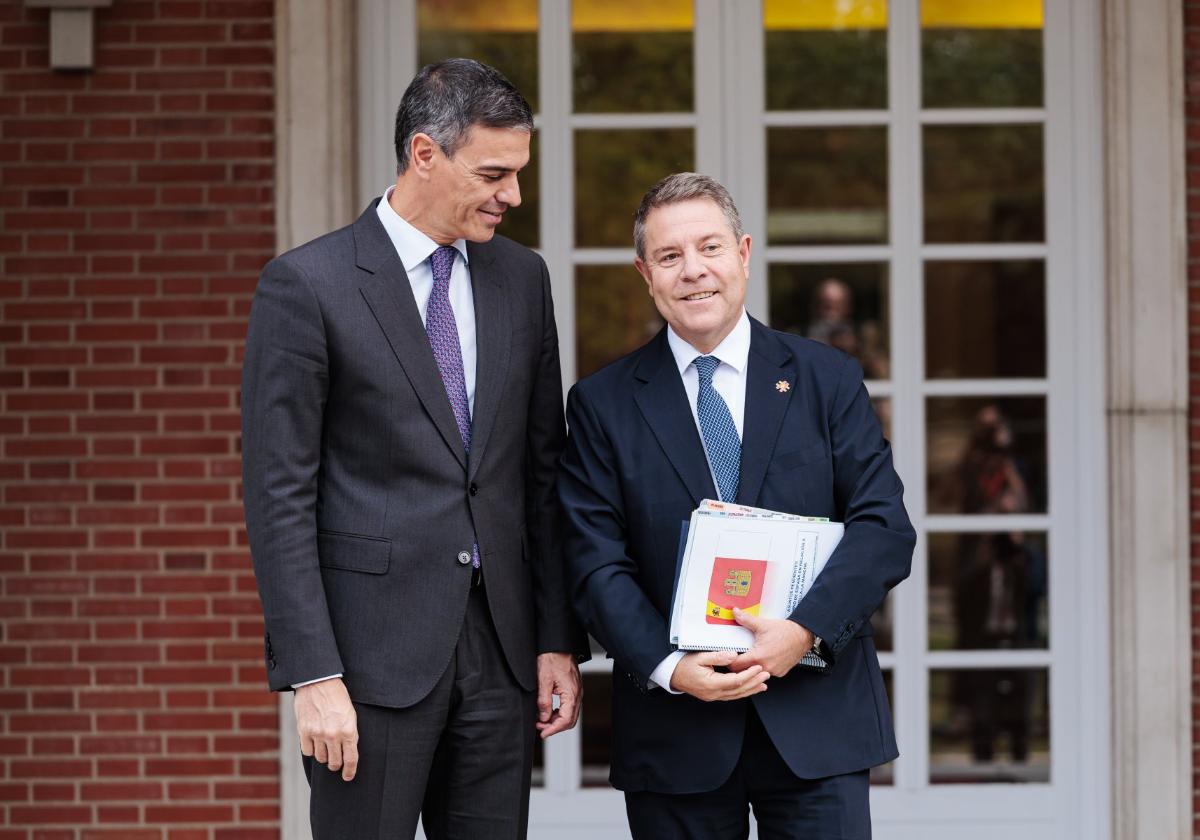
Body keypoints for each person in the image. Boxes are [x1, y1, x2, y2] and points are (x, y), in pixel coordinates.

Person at [241, 59, 586, 840]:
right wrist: (314, 674)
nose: (514, 197)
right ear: (424, 154)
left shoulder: (523, 280)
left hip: (500, 658)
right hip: (366, 668)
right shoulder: (307, 285)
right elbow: (279, 496)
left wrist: (557, 640)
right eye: (494, 173)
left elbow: (542, 473)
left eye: (519, 173)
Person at [558, 173, 915, 838]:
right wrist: (668, 669)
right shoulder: (603, 404)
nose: (694, 272)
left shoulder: (826, 378)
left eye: (710, 248)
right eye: (670, 257)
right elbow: (593, 561)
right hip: (675, 733)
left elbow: (883, 529)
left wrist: (802, 630)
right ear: (646, 273)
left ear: (744, 253)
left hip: (818, 723)